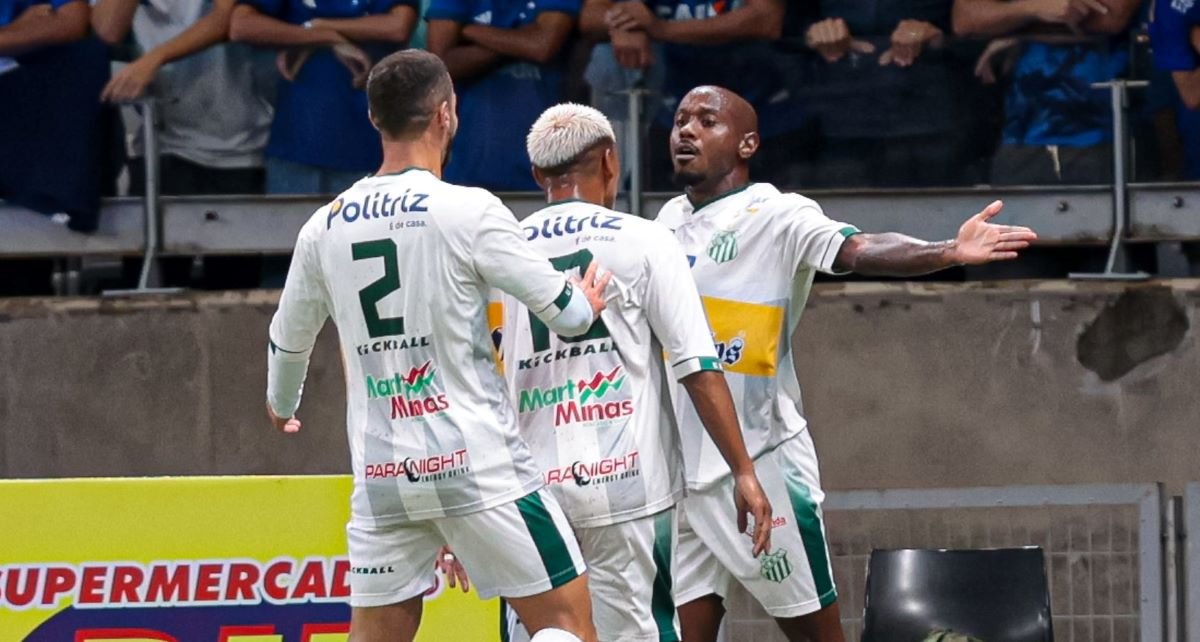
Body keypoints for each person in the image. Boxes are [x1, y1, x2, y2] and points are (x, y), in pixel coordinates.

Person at [656, 86, 1037, 642]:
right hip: (682, 479)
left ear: (747, 144)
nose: (686, 130)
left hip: (761, 465)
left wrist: (946, 252)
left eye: (706, 121)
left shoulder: (777, 214)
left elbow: (860, 249)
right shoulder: (663, 224)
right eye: (680, 119)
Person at [265, 50, 611, 642]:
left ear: (374, 119)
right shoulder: (469, 211)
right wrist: (586, 300)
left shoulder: (324, 226)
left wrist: (284, 404)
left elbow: (288, 338)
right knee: (563, 623)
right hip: (480, 466)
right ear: (447, 114)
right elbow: (571, 316)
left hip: (383, 475)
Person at [496, 103, 772, 642]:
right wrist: (742, 468)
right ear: (610, 161)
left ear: (537, 175)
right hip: (626, 488)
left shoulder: (500, 250)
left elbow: (476, 379)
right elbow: (697, 365)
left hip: (529, 492)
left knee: (546, 633)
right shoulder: (645, 240)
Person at [91, 0, 276, 289]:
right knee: (151, 290)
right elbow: (107, 31)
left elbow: (226, 20)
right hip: (158, 146)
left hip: (237, 144)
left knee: (233, 291)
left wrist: (156, 57)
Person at [230, 0, 418, 195]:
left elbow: (398, 26)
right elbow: (241, 25)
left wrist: (321, 25)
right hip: (296, 147)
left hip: (372, 151)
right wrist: (326, 38)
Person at [954, 0, 1143, 185]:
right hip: (1021, 137)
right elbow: (966, 19)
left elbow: (1111, 18)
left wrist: (1015, 29)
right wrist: (1034, 7)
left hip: (1108, 135)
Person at [796, 0, 982, 187]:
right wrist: (812, 32)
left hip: (930, 117)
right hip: (840, 118)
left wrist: (938, 36)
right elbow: (781, 22)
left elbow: (974, 25)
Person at [425, 0, 581, 191]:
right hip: (468, 166)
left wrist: (469, 30)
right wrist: (520, 38)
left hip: (546, 166)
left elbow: (542, 46)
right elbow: (442, 65)